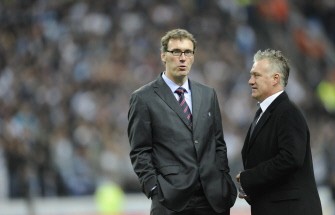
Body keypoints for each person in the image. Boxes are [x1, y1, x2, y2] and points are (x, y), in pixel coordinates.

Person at [128, 28, 236, 215]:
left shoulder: (208, 94)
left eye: (187, 52)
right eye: (176, 52)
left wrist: (223, 179)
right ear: (163, 56)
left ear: (193, 56)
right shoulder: (143, 98)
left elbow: (218, 143)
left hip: (212, 198)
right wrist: (154, 189)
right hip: (171, 200)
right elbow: (140, 151)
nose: (182, 58)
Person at [236, 49, 322, 215]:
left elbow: (290, 158)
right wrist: (251, 188)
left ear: (275, 78)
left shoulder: (287, 112)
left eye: (256, 75)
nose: (250, 81)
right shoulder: (265, 113)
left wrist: (249, 178)